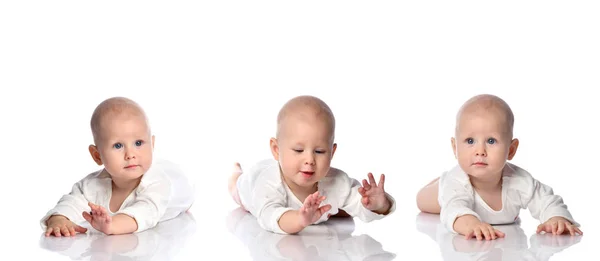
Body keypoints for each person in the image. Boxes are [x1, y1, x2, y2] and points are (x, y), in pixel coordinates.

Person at [416, 94, 582, 240]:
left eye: (491, 141)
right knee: (422, 199)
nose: (480, 151)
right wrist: (471, 223)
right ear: (455, 148)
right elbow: (454, 209)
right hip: (443, 193)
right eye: (470, 141)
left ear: (511, 150)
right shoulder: (456, 183)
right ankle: (440, 181)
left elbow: (546, 200)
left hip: (459, 187)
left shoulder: (519, 181)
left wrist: (556, 218)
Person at [228, 95, 396, 234]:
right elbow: (269, 216)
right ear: (276, 149)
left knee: (345, 203)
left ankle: (335, 209)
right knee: (236, 185)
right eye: (299, 150)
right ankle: (236, 170)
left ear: (332, 152)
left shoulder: (337, 181)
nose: (309, 160)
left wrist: (379, 204)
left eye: (320, 151)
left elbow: (362, 203)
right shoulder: (266, 183)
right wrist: (300, 220)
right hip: (251, 185)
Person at [41, 97, 195, 236]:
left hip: (176, 187)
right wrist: (59, 218)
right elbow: (72, 201)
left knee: (172, 185)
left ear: (152, 145)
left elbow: (146, 212)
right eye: (118, 145)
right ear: (97, 155)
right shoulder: (93, 185)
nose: (130, 154)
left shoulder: (157, 183)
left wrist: (112, 225)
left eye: (138, 143)